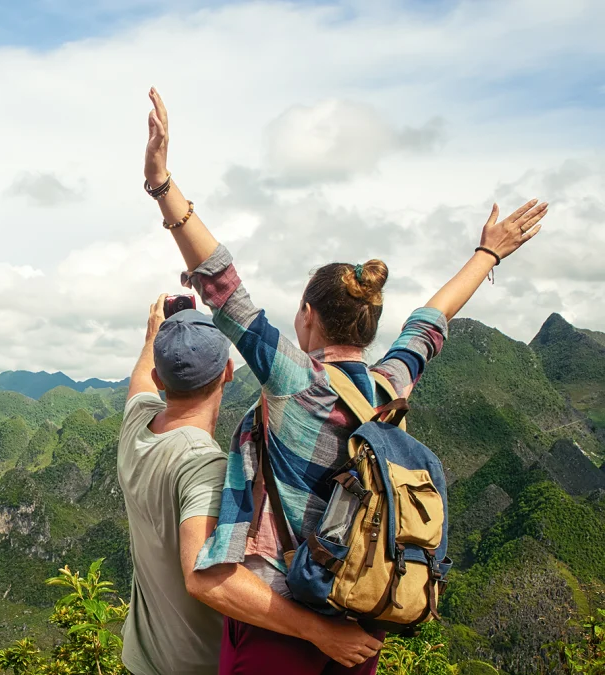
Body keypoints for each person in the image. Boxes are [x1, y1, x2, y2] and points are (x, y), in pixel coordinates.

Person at [140, 87, 548, 674]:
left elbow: (221, 284)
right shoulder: (391, 387)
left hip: (277, 621)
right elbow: (430, 323)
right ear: (369, 325)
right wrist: (489, 252)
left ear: (307, 315)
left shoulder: (294, 380)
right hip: (357, 625)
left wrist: (161, 184)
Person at [118, 297, 385, 675]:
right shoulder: (205, 466)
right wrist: (319, 631)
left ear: (161, 380)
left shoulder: (136, 427)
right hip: (199, 665)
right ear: (228, 371)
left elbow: (140, 380)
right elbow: (204, 577)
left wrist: (153, 337)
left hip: (141, 658)